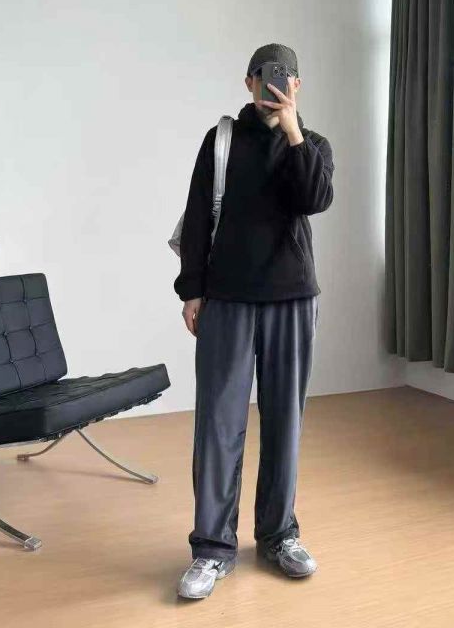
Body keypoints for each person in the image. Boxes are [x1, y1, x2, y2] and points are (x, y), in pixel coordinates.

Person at [174, 43, 334, 599]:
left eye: (287, 77)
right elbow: (198, 216)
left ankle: (279, 535)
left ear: (297, 86)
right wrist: (192, 290)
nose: (276, 85)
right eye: (266, 76)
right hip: (227, 297)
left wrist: (292, 131)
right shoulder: (220, 141)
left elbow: (314, 198)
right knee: (218, 425)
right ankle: (212, 548)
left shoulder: (312, 145)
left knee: (285, 420)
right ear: (249, 81)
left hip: (293, 297)